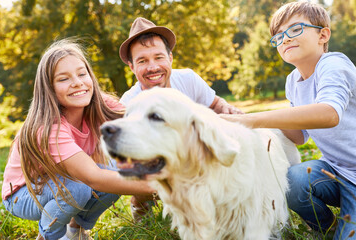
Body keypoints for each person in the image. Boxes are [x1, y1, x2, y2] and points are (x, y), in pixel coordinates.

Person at [221, 1, 356, 239]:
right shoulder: (293, 80)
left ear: (323, 35)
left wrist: (253, 120)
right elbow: (299, 136)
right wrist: (244, 119)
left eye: (295, 30)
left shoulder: (334, 64)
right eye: (278, 36)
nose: (284, 39)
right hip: (337, 172)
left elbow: (329, 114)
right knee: (292, 181)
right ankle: (329, 227)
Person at [1, 39, 155, 240]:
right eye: (63, 79)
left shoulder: (99, 104)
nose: (77, 82)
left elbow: (139, 126)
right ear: (49, 88)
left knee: (117, 176)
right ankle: (49, 236)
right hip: (22, 195)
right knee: (81, 187)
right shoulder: (48, 129)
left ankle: (76, 231)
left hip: (63, 182)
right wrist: (159, 185)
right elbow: (93, 178)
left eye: (82, 74)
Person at [118, 17, 243, 114]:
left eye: (159, 57)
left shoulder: (188, 80)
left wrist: (224, 106)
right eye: (142, 61)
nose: (153, 67)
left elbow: (215, 104)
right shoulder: (127, 106)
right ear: (132, 67)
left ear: (170, 58)